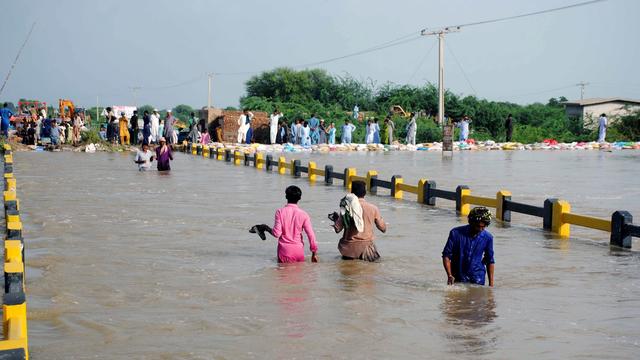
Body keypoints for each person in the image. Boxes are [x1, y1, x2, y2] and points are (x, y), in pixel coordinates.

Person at [252, 185, 318, 263]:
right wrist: (314, 253)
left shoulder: (280, 212)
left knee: (283, 274)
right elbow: (311, 235)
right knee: (299, 275)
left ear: (286, 196)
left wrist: (265, 227)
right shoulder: (304, 214)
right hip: (299, 252)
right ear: (299, 198)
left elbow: (277, 234)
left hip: (284, 252)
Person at [330, 180, 386, 262]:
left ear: (352, 193)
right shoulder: (373, 208)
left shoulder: (346, 207)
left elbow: (337, 229)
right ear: (365, 193)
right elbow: (383, 229)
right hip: (367, 251)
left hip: (348, 250)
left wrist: (336, 219)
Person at [442, 207, 495, 287]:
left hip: (478, 279)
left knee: (476, 299)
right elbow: (446, 255)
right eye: (478, 226)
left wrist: (491, 285)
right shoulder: (455, 233)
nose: (481, 229)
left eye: (483, 227)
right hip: (458, 277)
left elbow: (490, 260)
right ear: (471, 222)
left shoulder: (488, 237)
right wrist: (449, 275)